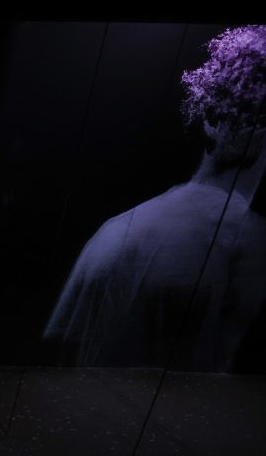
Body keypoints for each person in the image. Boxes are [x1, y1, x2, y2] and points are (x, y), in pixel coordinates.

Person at [46, 25, 266, 371]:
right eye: (258, 116)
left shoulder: (112, 233)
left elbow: (57, 360)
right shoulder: (251, 241)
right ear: (216, 118)